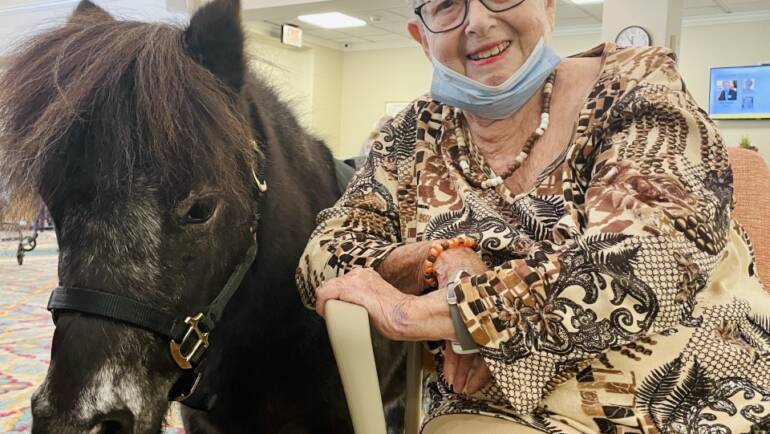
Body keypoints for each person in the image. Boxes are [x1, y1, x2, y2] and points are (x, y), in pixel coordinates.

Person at [296, 0, 770, 432]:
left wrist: (432, 311)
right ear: (422, 38)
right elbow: (323, 252)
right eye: (446, 5)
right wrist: (438, 257)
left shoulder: (638, 83)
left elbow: (650, 259)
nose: (478, 21)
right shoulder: (412, 133)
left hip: (693, 394)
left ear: (547, 6)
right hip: (492, 408)